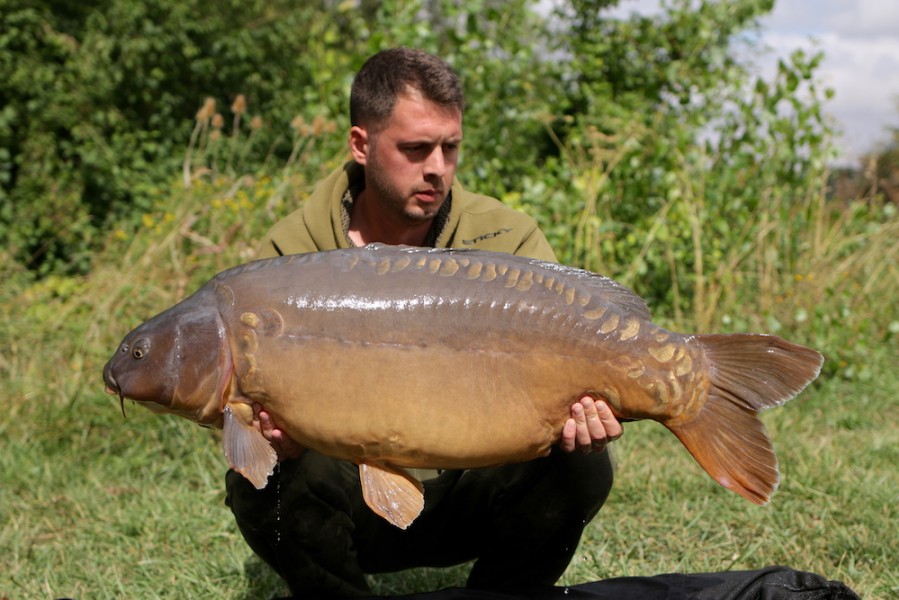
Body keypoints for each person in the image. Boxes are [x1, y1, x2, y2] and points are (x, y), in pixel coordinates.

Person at [225, 48, 623, 598]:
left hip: (472, 491)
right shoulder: (292, 258)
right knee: (263, 479)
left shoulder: (506, 242)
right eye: (415, 149)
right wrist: (274, 441)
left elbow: (569, 350)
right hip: (350, 501)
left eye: (450, 147)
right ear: (361, 145)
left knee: (584, 465)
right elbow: (240, 420)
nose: (437, 167)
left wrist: (584, 419)